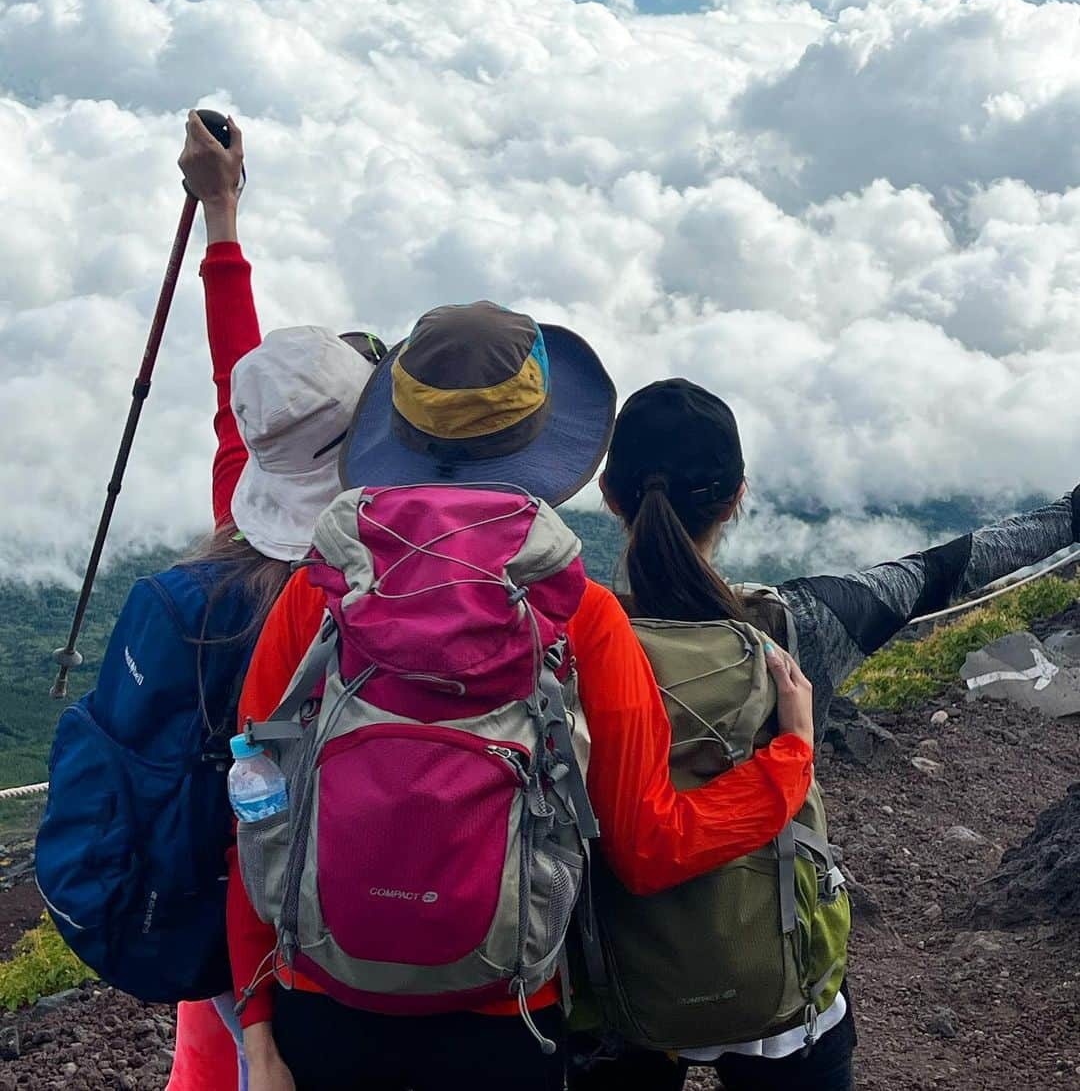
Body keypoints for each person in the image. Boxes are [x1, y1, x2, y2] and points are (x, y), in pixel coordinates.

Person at [228, 301, 818, 1091]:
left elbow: (255, 806)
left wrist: (260, 1036)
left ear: (396, 428)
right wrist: (791, 758)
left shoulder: (319, 593)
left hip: (321, 1000)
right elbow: (650, 850)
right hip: (507, 1013)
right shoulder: (580, 613)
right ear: (539, 435)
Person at [572, 376, 1080, 1091]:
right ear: (737, 495)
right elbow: (945, 570)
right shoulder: (796, 627)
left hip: (610, 973)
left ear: (610, 494)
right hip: (773, 988)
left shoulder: (563, 632)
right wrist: (1071, 517)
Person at [168, 112, 383, 1091]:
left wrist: (220, 210)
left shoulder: (232, 518)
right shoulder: (379, 570)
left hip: (223, 890)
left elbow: (233, 373)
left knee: (210, 1054)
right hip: (336, 905)